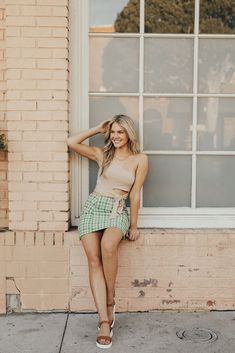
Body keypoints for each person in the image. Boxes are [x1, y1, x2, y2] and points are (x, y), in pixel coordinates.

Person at [67, 114, 148, 349]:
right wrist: (97, 128)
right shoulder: (104, 155)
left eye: (120, 132)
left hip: (117, 210)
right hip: (94, 206)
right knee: (94, 260)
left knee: (108, 246)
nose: (115, 136)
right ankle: (104, 320)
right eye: (113, 132)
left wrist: (133, 225)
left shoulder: (140, 159)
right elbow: (71, 142)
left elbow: (134, 195)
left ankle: (110, 301)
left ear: (129, 134)